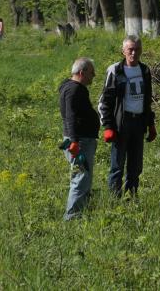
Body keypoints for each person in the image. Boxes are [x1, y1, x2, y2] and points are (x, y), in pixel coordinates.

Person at [98, 35, 157, 197]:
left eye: (137, 49)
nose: (133, 53)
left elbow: (147, 100)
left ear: (141, 51)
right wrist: (108, 126)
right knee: (117, 165)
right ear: (123, 50)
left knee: (136, 166)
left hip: (139, 123)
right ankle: (114, 200)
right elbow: (105, 101)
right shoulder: (115, 70)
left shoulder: (145, 70)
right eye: (130, 49)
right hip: (121, 124)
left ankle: (131, 198)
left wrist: (151, 124)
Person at [58, 57, 100, 220]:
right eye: (91, 72)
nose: (93, 75)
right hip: (80, 141)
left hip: (80, 140)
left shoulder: (70, 87)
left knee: (83, 176)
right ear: (82, 72)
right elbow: (70, 116)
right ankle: (72, 217)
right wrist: (75, 141)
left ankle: (81, 211)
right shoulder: (74, 90)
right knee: (80, 178)